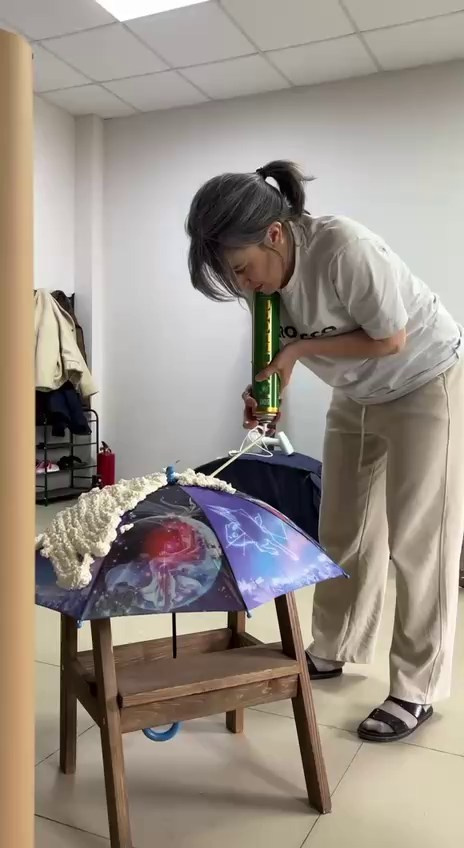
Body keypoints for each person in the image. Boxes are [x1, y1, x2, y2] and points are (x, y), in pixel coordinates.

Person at [186, 161, 464, 742]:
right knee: (343, 527)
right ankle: (334, 646)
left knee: (420, 540)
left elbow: (391, 338)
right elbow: (278, 354)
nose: (243, 284)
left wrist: (294, 355)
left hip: (426, 380)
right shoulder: (263, 284)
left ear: (274, 234)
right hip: (358, 393)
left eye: (242, 269)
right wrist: (267, 398)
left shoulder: (342, 248)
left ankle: (417, 688)